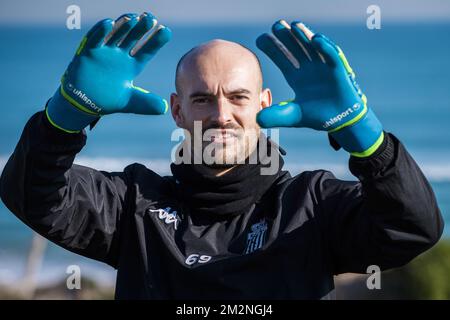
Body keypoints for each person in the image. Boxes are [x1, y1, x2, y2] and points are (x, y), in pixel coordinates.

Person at [0, 11, 444, 299]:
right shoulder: (133, 205)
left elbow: (413, 227)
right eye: (202, 100)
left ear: (264, 104)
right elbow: (33, 196)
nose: (221, 115)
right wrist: (64, 118)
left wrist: (363, 135)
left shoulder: (312, 206)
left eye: (238, 97)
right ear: (176, 110)